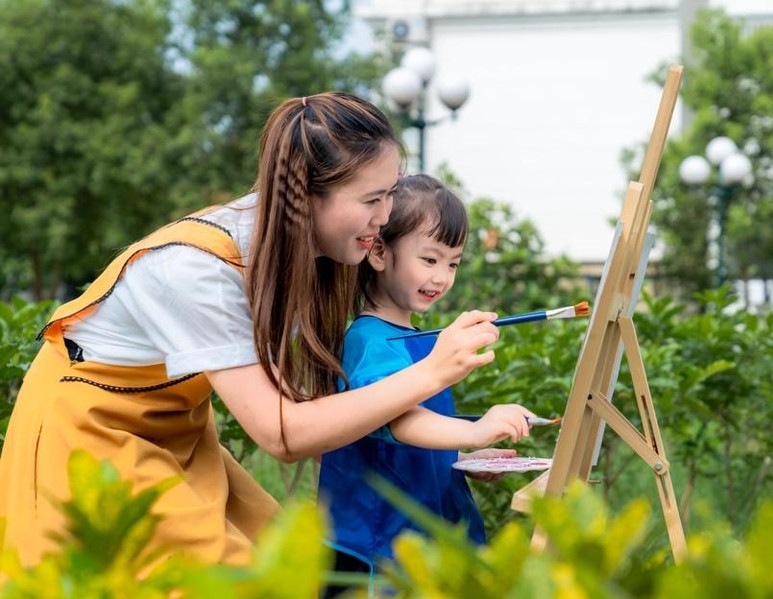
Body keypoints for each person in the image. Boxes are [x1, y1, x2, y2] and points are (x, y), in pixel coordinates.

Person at [0, 93, 502, 569]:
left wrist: (461, 437)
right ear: (306, 196)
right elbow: (281, 433)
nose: (386, 216)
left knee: (286, 568)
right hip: (91, 434)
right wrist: (433, 371)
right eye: (372, 198)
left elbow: (330, 412)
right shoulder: (196, 270)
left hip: (179, 428)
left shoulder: (301, 252)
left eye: (390, 194)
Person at [318, 174, 535, 589]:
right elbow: (399, 422)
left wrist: (466, 458)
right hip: (379, 549)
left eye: (453, 263)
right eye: (430, 259)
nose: (442, 277)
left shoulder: (421, 341)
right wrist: (474, 431)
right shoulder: (369, 340)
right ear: (379, 252)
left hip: (424, 540)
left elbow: (424, 432)